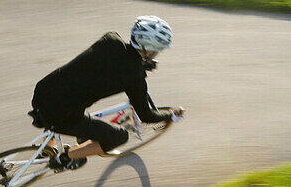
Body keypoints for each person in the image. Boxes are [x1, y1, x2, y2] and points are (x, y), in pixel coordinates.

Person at [29, 15, 184, 172]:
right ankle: (65, 158)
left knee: (68, 92)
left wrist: (141, 64)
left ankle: (47, 146)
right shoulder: (135, 78)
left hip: (43, 91)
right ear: (150, 49)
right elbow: (147, 116)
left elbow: (108, 63)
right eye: (159, 50)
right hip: (59, 114)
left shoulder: (110, 39)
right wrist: (170, 114)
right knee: (119, 137)